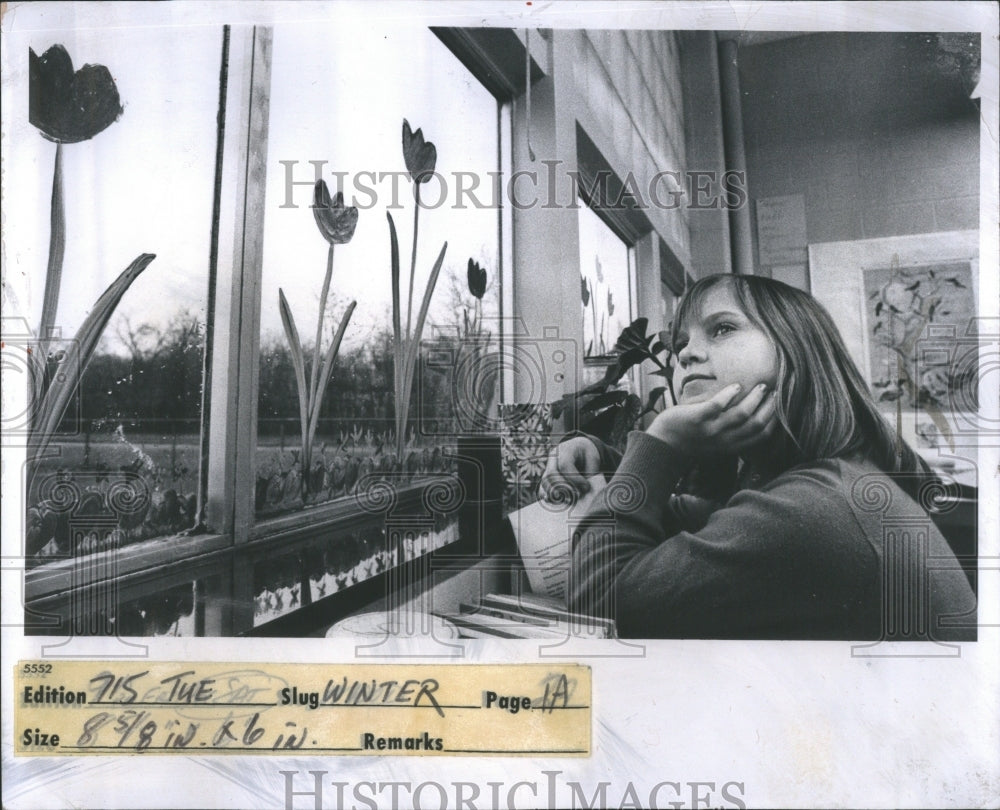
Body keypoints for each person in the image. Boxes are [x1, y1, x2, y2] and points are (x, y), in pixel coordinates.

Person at [540, 274, 976, 640]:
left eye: (722, 328)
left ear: (797, 350)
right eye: (681, 342)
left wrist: (664, 444)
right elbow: (704, 516)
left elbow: (599, 605)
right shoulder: (826, 477)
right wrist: (611, 460)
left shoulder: (813, 509)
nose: (686, 352)